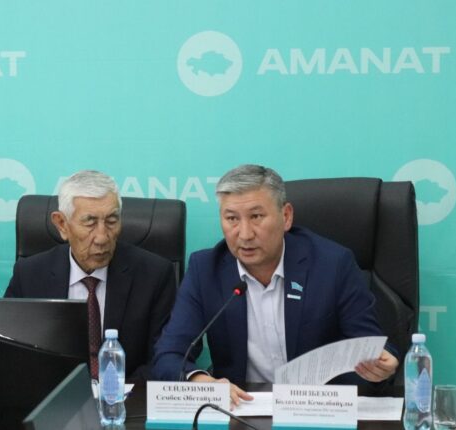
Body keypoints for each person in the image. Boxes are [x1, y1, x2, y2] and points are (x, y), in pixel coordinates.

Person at [152, 164, 398, 405]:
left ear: (286, 216)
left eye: (256, 216)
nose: (245, 234)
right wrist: (203, 383)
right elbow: (169, 355)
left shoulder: (332, 264)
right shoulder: (206, 270)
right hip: (242, 408)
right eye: (232, 218)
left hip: (318, 409)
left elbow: (370, 342)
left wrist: (382, 364)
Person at [5, 170, 176, 382]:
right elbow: (10, 351)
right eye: (90, 222)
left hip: (128, 396)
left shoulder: (154, 275)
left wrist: (112, 392)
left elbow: (165, 357)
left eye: (111, 221)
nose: (102, 237)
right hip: (54, 397)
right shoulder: (30, 275)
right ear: (62, 224)